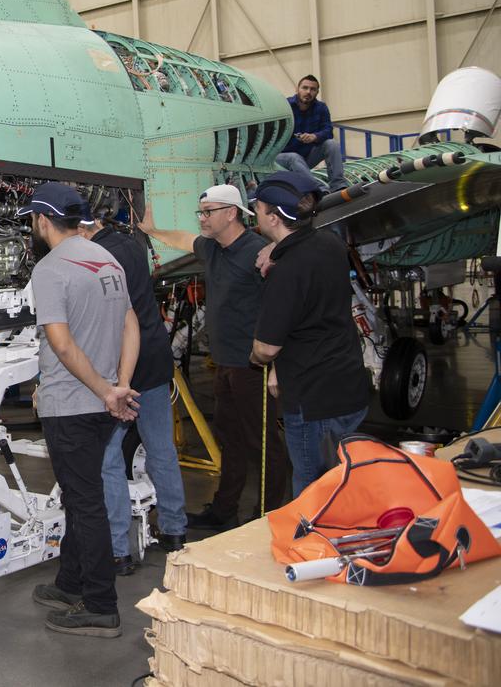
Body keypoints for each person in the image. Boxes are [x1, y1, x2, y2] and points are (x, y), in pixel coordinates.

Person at [23, 182, 140, 640]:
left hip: (71, 404)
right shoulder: (105, 257)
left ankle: (101, 605)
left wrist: (103, 389)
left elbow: (61, 343)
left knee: (85, 501)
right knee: (79, 493)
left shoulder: (50, 270)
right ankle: (70, 583)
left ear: (42, 221)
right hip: (103, 403)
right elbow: (130, 323)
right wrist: (119, 385)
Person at [139, 184, 289, 527]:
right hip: (225, 363)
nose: (202, 219)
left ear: (231, 213)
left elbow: (282, 307)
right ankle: (225, 512)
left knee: (263, 444)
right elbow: (183, 239)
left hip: (255, 365)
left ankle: (268, 515)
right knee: (231, 441)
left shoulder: (258, 251)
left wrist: (277, 364)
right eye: (201, 213)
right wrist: (153, 232)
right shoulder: (212, 248)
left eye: (208, 212)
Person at [78, 213, 187, 574]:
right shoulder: (129, 244)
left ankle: (118, 550)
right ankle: (174, 532)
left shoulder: (97, 258)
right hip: (154, 359)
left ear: (82, 229)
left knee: (108, 458)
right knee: (161, 448)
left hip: (119, 366)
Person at [249, 172, 370, 495]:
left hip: (312, 401)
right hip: (348, 386)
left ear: (273, 218)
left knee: (312, 491)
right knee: (347, 483)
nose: (256, 215)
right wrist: (274, 251)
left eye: (258, 209)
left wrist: (258, 357)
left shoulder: (286, 273)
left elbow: (267, 347)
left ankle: (317, 545)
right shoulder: (330, 244)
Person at [277, 75, 347, 192]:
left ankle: (338, 185)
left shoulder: (321, 108)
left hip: (305, 158)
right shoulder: (285, 106)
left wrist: (315, 137)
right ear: (297, 89)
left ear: (317, 92)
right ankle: (319, 190)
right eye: (305, 88)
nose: (308, 92)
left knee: (331, 144)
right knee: (294, 157)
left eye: (312, 89)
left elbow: (328, 131)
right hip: (282, 159)